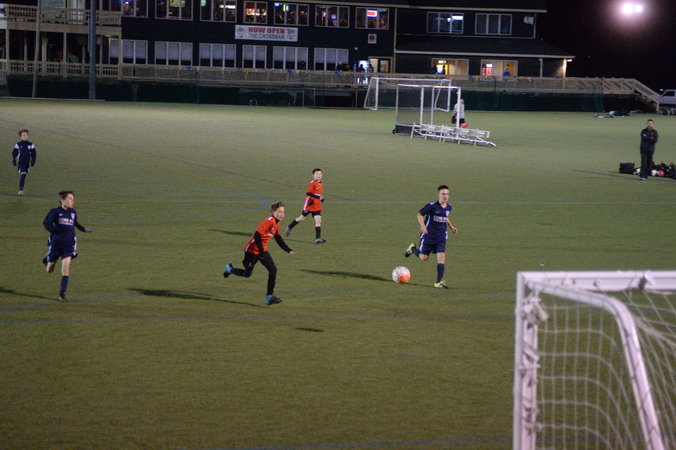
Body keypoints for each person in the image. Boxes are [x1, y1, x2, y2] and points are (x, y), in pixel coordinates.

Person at [223, 202, 295, 305]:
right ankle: (229, 269)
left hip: (262, 251)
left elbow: (278, 238)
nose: (282, 214)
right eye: (279, 212)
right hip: (251, 251)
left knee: (273, 270)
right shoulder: (268, 221)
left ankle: (269, 297)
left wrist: (287, 249)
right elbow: (257, 236)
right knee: (247, 274)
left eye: (283, 212)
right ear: (273, 212)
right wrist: (261, 252)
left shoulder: (276, 223)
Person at [404, 185, 458, 289]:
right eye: (443, 194)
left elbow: (445, 217)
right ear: (438, 195)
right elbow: (419, 215)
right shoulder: (432, 206)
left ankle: (438, 282)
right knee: (424, 258)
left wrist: (451, 226)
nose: (445, 196)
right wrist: (423, 227)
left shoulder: (449, 207)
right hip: (428, 236)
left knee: (441, 257)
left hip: (441, 237)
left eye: (447, 194)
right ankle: (412, 249)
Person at [43, 191, 93, 301]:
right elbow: (46, 224)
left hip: (68, 244)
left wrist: (83, 229)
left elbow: (75, 223)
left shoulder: (73, 212)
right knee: (49, 270)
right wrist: (55, 231)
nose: (72, 201)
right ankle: (47, 258)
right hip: (56, 244)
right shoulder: (55, 211)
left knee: (66, 269)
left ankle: (62, 294)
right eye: (70, 199)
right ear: (62, 200)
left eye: (73, 199)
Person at [285, 168, 326, 243]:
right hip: (309, 205)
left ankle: (318, 238)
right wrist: (318, 197)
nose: (319, 175)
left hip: (316, 205)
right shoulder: (312, 183)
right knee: (302, 218)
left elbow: (317, 194)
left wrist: (321, 198)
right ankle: (289, 227)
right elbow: (308, 193)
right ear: (313, 175)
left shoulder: (320, 184)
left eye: (320, 174)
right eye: (317, 174)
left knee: (318, 220)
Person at [12, 129, 37, 196]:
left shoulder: (31, 144)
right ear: (21, 136)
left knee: (24, 175)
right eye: (24, 135)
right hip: (21, 162)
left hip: (27, 163)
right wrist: (14, 159)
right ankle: (20, 190)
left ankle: (21, 190)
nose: (25, 136)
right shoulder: (18, 144)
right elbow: (14, 152)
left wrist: (33, 160)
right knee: (23, 174)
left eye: (26, 135)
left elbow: (34, 154)